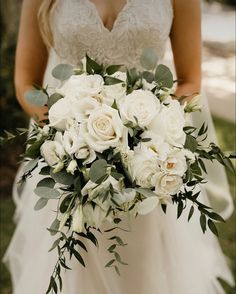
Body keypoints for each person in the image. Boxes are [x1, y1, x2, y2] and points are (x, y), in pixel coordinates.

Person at [4, 0, 235, 293]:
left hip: (148, 168)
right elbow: (26, 81)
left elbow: (190, 81)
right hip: (71, 163)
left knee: (145, 270)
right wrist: (65, 132)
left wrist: (154, 131)